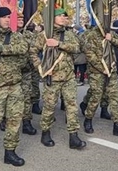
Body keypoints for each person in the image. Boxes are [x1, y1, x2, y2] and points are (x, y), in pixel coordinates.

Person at [0, 7, 33, 166]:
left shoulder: (15, 36)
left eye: (9, 17)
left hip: (15, 86)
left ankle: (10, 152)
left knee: (15, 121)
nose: (8, 20)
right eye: (4, 17)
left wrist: (0, 48)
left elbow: (23, 49)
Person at [33, 8, 86, 150]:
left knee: (72, 106)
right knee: (49, 107)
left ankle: (73, 136)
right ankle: (45, 132)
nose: (63, 18)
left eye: (65, 16)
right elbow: (33, 51)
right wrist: (40, 67)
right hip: (52, 77)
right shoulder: (43, 35)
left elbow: (77, 48)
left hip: (68, 77)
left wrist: (59, 44)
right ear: (52, 18)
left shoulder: (69, 34)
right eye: (60, 16)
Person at [80, 20, 118, 137]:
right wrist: (101, 68)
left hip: (112, 71)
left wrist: (112, 39)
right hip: (97, 72)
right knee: (96, 96)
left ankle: (117, 125)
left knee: (114, 98)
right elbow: (89, 54)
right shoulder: (91, 35)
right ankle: (88, 119)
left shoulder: (111, 33)